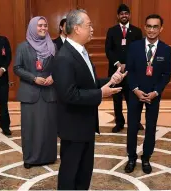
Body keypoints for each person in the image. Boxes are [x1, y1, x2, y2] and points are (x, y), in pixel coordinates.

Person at [52, 9, 126, 190]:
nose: (92, 29)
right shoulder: (64, 57)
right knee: (70, 175)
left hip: (85, 125)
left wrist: (111, 80)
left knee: (84, 173)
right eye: (89, 25)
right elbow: (69, 94)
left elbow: (88, 83)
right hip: (73, 127)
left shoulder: (81, 51)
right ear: (77, 28)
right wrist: (101, 93)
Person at [125, 14, 171, 174]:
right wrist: (136, 90)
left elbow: (167, 74)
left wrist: (156, 92)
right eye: (149, 26)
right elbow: (129, 71)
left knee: (151, 128)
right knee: (132, 127)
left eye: (155, 27)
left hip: (153, 95)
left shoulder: (166, 50)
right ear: (145, 27)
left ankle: (146, 158)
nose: (152, 30)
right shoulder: (134, 47)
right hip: (135, 93)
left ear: (161, 29)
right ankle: (131, 157)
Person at [13, 16, 58, 169]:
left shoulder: (52, 46)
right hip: (30, 94)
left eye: (45, 25)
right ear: (32, 27)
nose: (43, 28)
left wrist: (54, 76)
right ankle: (30, 158)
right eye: (39, 26)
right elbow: (17, 68)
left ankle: (49, 156)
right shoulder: (22, 47)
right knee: (30, 128)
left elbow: (59, 66)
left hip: (49, 93)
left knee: (49, 127)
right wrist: (33, 78)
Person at [105, 3, 144, 133]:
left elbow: (139, 50)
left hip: (131, 71)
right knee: (117, 99)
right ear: (118, 16)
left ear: (129, 15)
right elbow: (108, 50)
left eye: (126, 13)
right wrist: (117, 63)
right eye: (122, 14)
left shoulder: (137, 31)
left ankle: (135, 122)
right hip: (115, 71)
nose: (124, 16)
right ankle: (119, 123)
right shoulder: (112, 31)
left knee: (132, 99)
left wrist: (128, 64)